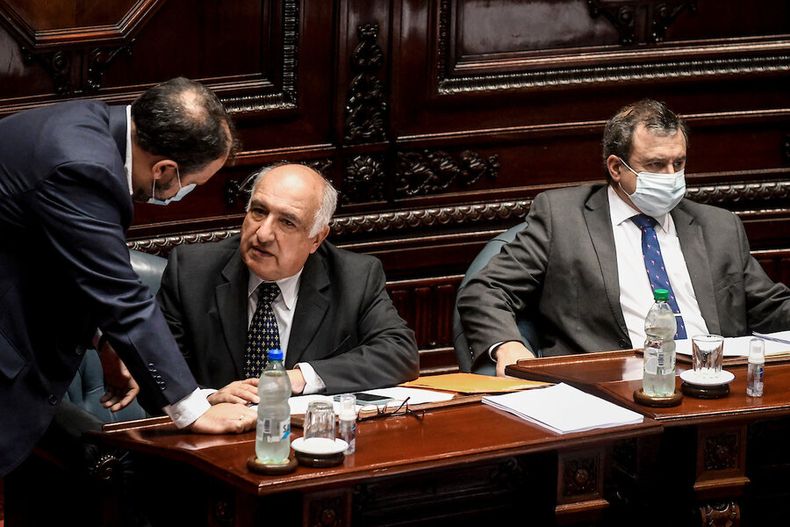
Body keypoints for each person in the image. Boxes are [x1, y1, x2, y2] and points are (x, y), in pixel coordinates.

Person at [0, 77, 257, 477]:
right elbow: (123, 297)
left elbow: (61, 259)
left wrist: (103, 340)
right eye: (190, 184)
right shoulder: (83, 166)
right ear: (165, 169)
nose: (180, 194)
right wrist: (192, 410)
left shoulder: (88, 123)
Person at [458, 99, 790, 376]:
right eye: (656, 165)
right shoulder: (563, 218)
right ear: (616, 168)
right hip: (609, 391)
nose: (672, 177)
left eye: (679, 163)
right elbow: (486, 289)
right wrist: (508, 346)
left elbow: (769, 306)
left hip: (716, 384)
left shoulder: (719, 226)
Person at [156, 163, 419, 402]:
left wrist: (299, 378)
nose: (264, 233)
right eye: (259, 212)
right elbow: (155, 372)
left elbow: (399, 354)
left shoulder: (355, 277)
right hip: (209, 438)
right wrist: (208, 400)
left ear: (316, 238)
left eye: (287, 222)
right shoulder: (192, 272)